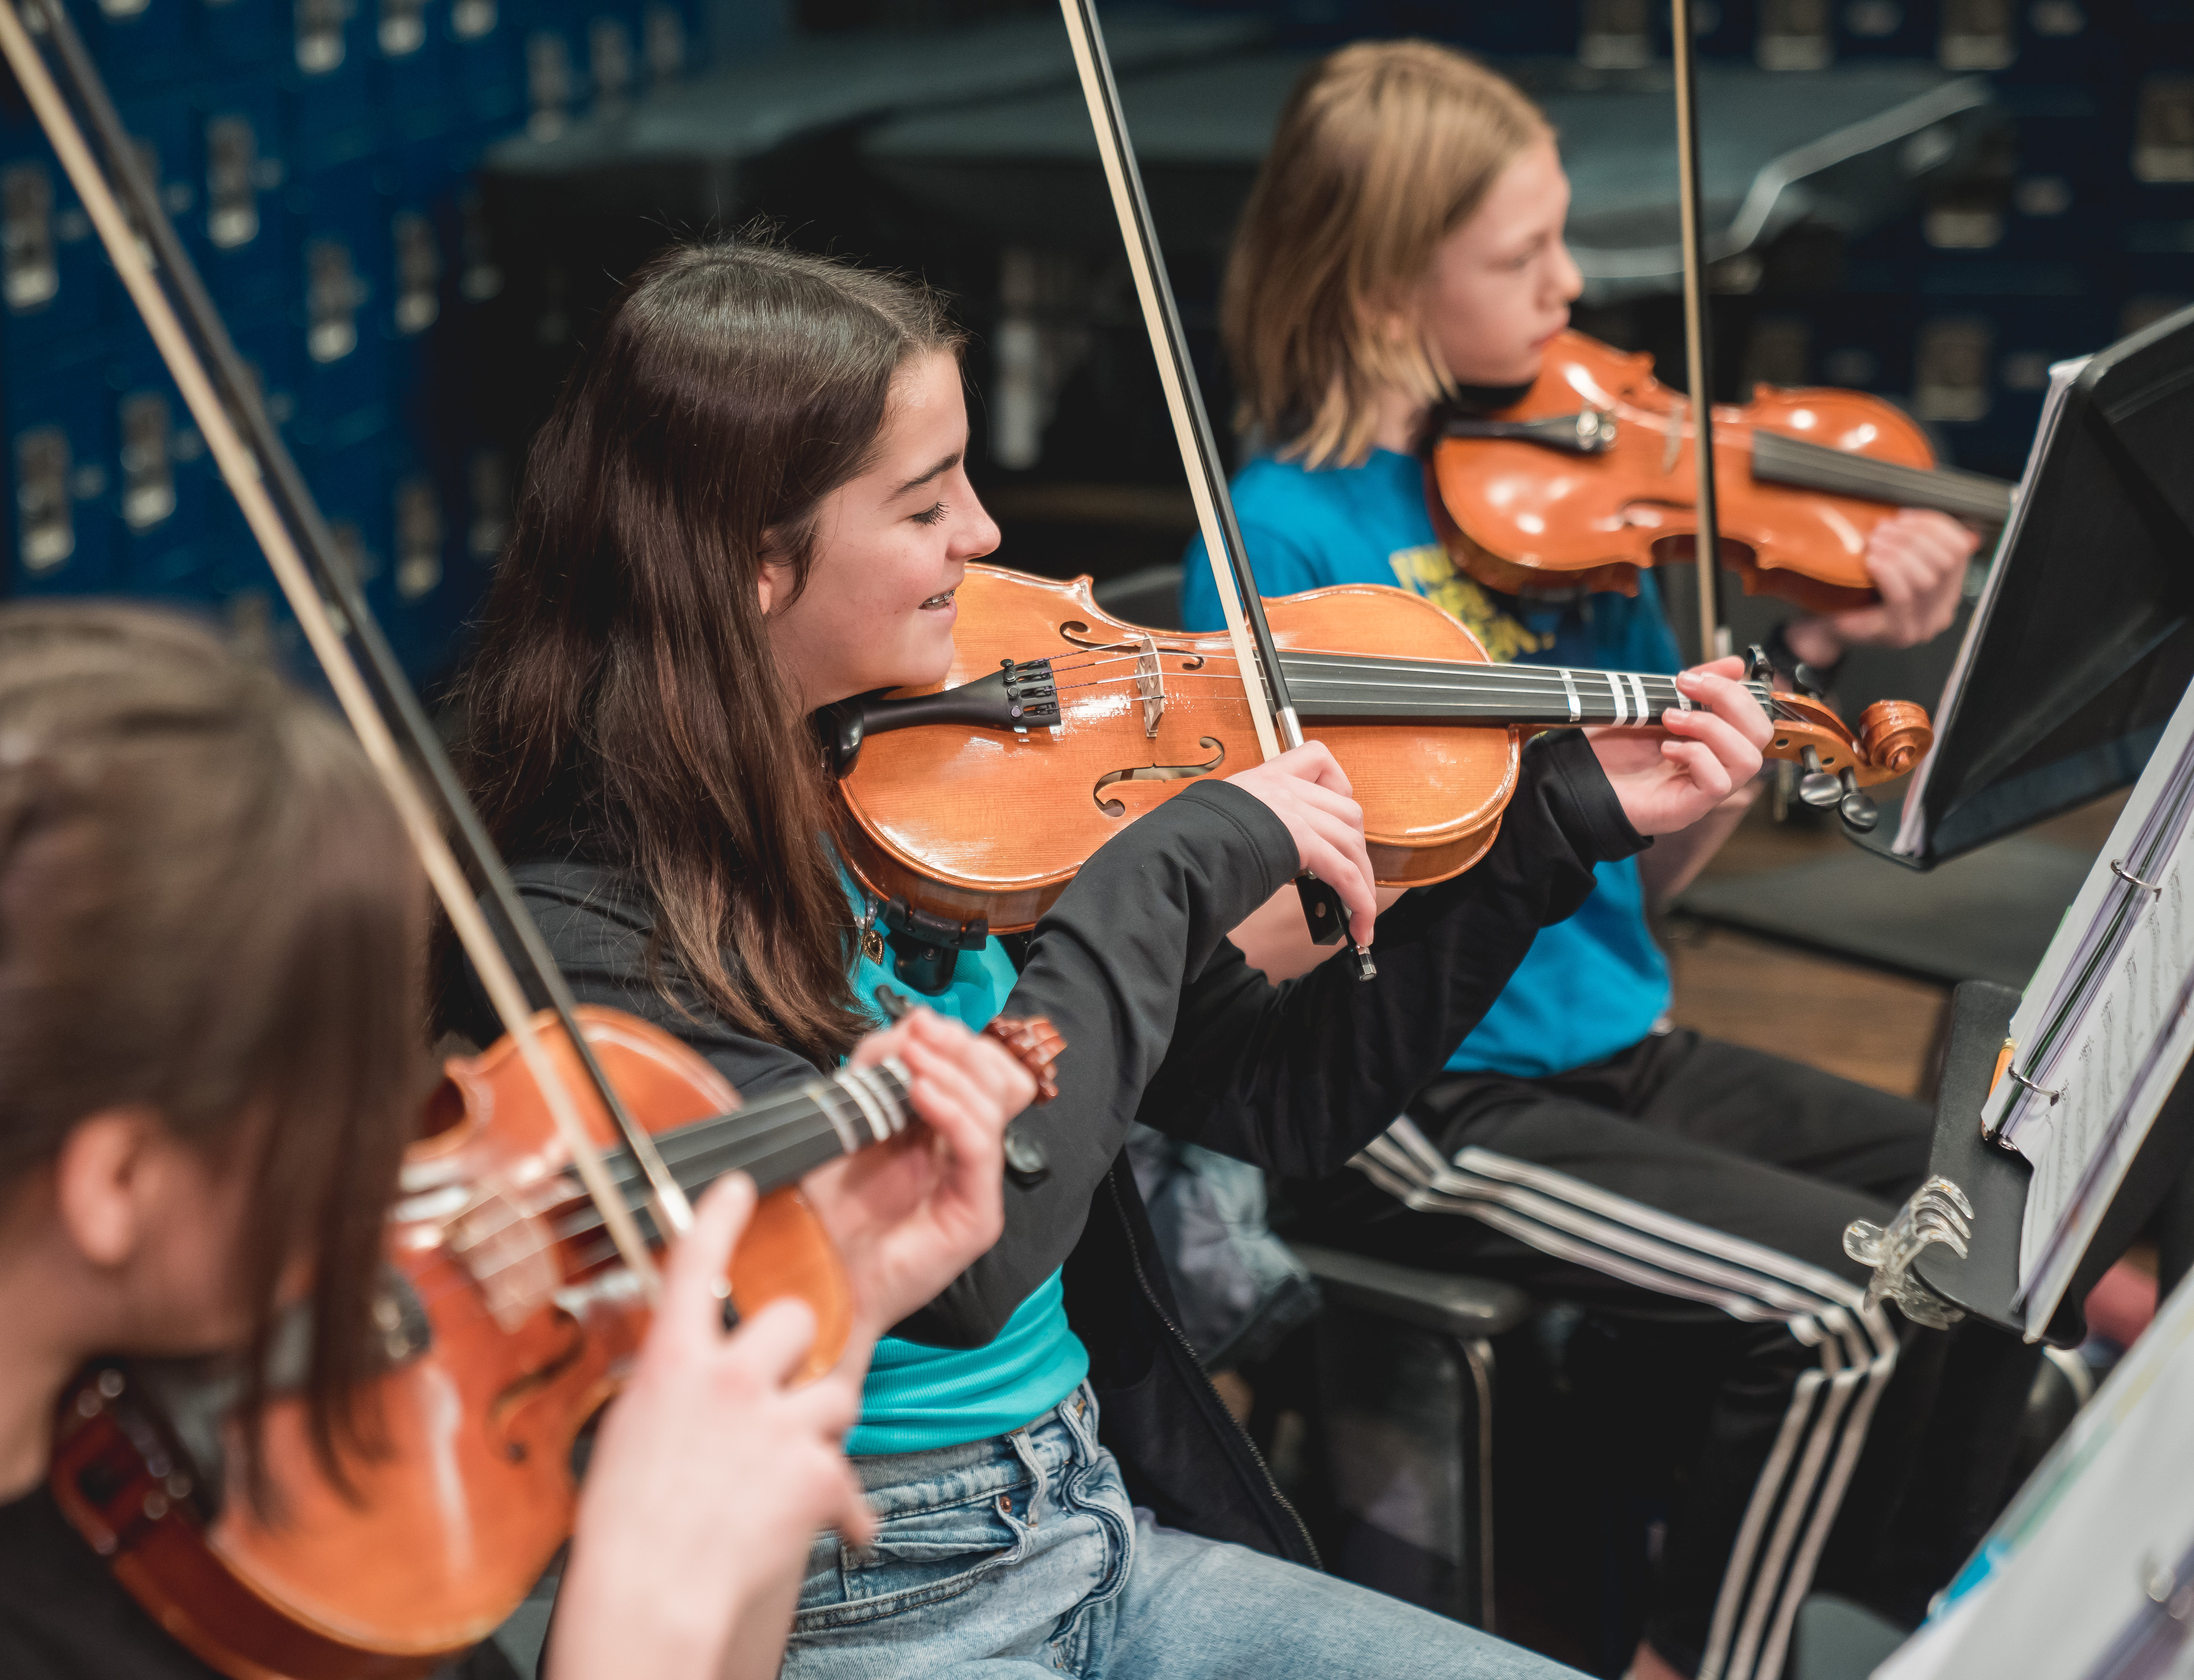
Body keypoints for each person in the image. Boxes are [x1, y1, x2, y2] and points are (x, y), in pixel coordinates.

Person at [447, 234, 1775, 1678]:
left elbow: (1287, 1102)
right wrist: (1160, 879)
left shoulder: (952, 786)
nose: (985, 533)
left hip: (1096, 1520)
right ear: (755, 565)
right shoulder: (588, 933)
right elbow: (964, 1268)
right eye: (923, 500)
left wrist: (1552, 826)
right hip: (855, 1600)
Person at [0, 601, 1028, 1680]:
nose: (400, 1166)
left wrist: (825, 1316)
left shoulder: (190, 1460)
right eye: (362, 1110)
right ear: (121, 1184)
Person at [1191, 40, 2037, 1680]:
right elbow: (1290, 940)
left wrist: (1783, 666)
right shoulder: (1283, 536)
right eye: (1520, 259)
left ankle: (1919, 1625)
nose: (1575, 288)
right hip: (1425, 1095)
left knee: (1995, 1202)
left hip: (1616, 1042)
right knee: (1837, 1312)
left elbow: (1644, 889)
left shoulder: (1580, 488)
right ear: (1378, 288)